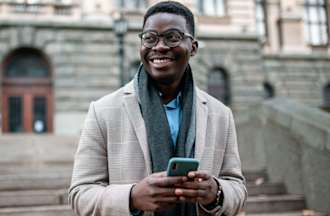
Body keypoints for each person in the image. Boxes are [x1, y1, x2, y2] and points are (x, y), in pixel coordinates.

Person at [68, 1, 247, 216]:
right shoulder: (103, 111)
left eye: (172, 37)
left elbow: (237, 188)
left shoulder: (221, 115)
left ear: (193, 47)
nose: (159, 46)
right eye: (150, 38)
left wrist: (216, 192)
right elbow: (80, 195)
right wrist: (132, 197)